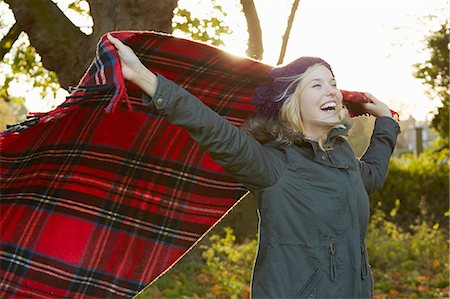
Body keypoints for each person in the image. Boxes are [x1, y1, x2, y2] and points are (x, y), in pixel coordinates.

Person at [107, 34, 400, 299]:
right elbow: (212, 129)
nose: (333, 91)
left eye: (333, 84)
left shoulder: (343, 155)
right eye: (317, 84)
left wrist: (386, 122)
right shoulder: (273, 164)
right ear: (292, 103)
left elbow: (371, 176)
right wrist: (144, 77)